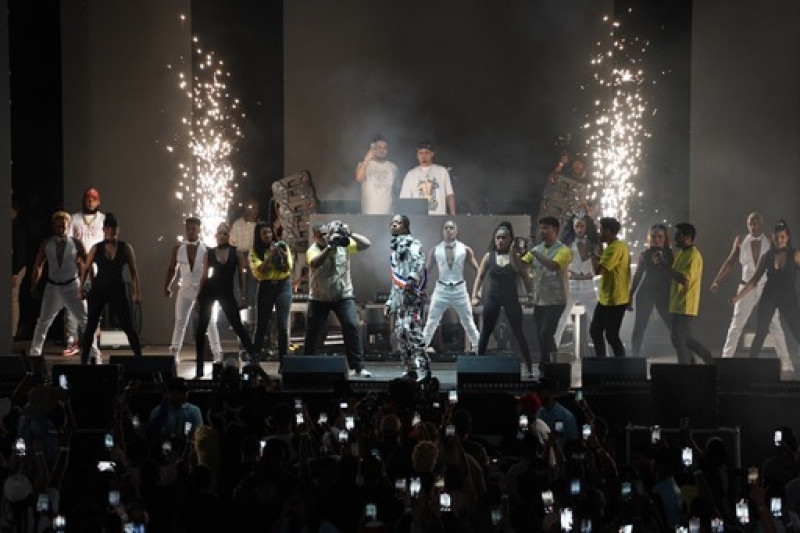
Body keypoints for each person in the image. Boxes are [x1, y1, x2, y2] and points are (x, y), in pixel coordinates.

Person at [711, 212, 792, 371]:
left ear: (762, 224)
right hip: (745, 287)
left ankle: (786, 362)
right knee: (736, 325)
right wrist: (717, 280)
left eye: (756, 223)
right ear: (747, 224)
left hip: (766, 287)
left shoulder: (771, 241)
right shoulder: (741, 241)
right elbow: (730, 262)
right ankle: (725, 360)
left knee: (775, 325)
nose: (753, 226)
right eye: (750, 223)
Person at [303, 220, 372, 377]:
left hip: (343, 295)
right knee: (313, 332)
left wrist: (349, 233)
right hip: (319, 297)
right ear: (315, 237)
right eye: (321, 235)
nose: (325, 237)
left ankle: (358, 367)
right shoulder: (312, 250)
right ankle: (306, 365)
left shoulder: (343, 244)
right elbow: (315, 263)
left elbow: (366, 244)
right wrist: (329, 247)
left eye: (327, 234)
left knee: (351, 326)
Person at [28, 212, 96, 359]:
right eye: (58, 226)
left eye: (64, 226)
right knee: (43, 322)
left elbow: (88, 265)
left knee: (85, 320)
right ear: (53, 226)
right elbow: (38, 265)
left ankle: (94, 354)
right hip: (53, 288)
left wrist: (90, 284)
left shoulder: (76, 243)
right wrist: (34, 285)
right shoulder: (47, 243)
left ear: (68, 226)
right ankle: (34, 355)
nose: (61, 229)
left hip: (72, 286)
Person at [731, 220, 800, 363]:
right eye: (776, 237)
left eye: (782, 237)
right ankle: (751, 365)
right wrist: (737, 297)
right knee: (761, 332)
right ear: (772, 237)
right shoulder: (767, 256)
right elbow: (753, 281)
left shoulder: (796, 255)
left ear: (787, 237)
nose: (779, 240)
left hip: (788, 298)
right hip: (769, 296)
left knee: (796, 329)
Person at [194, 222, 257, 378]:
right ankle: (199, 368)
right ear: (215, 235)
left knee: (237, 326)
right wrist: (197, 297)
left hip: (226, 292)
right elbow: (204, 276)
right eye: (219, 233)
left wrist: (242, 297)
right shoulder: (209, 253)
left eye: (224, 233)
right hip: (209, 289)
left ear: (229, 236)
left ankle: (255, 360)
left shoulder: (236, 253)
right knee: (201, 328)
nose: (221, 236)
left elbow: (242, 275)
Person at [472, 222, 534, 377]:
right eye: (497, 238)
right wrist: (475, 295)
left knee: (518, 332)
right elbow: (479, 277)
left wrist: (531, 294)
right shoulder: (488, 256)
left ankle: (529, 366)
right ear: (494, 240)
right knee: (485, 332)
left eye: (503, 238)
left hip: (511, 298)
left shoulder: (516, 257)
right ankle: (478, 367)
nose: (500, 241)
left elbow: (526, 277)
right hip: (492, 297)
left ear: (510, 240)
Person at [80, 213, 142, 364]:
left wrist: (137, 292)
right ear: (104, 230)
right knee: (90, 327)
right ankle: (83, 362)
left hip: (117, 290)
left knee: (128, 326)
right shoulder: (96, 248)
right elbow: (86, 269)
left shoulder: (125, 248)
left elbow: (134, 271)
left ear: (117, 230)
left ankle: (140, 360)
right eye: (108, 228)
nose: (111, 231)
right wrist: (80, 289)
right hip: (99, 290)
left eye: (114, 229)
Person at [164, 217, 223, 364]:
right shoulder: (178, 249)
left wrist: (215, 288)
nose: (190, 231)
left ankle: (217, 353)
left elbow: (216, 270)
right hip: (184, 289)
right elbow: (172, 269)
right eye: (188, 228)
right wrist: (167, 286)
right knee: (180, 321)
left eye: (193, 229)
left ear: (199, 230)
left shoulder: (207, 250)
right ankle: (174, 352)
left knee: (210, 322)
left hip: (202, 290)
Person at [658, 222, 713, 364]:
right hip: (678, 303)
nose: (675, 238)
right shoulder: (683, 253)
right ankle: (695, 362)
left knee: (678, 338)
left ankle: (690, 365)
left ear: (688, 237)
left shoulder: (693, 256)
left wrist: (664, 266)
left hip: (685, 303)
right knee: (682, 338)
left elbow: (684, 279)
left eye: (678, 235)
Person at [421, 220, 480, 353]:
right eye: (446, 228)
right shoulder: (435, 250)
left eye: (451, 228)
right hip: (441, 289)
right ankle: (421, 350)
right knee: (431, 321)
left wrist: (477, 292)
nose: (449, 230)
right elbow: (426, 271)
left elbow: (478, 270)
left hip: (459, 289)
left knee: (468, 322)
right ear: (442, 232)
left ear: (456, 231)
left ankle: (478, 349)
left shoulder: (465, 249)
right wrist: (422, 289)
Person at [385, 214, 429, 382]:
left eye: (398, 223)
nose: (394, 225)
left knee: (414, 332)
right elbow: (395, 279)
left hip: (411, 297)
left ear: (406, 226)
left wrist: (411, 278)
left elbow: (419, 262)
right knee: (401, 334)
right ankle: (409, 368)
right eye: (393, 223)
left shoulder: (413, 243)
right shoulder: (394, 250)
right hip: (399, 299)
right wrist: (390, 301)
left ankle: (424, 370)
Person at [525, 216, 572, 368]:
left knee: (546, 333)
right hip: (539, 300)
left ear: (555, 230)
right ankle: (556, 364)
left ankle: (544, 365)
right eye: (540, 228)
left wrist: (535, 254)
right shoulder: (536, 250)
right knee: (543, 336)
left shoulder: (563, 250)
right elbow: (520, 266)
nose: (542, 231)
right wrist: (514, 252)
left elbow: (553, 266)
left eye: (545, 228)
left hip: (556, 300)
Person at [65, 187, 105, 356]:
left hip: (96, 267)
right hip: (77, 266)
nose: (90, 201)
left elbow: (106, 242)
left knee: (95, 302)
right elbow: (68, 241)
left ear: (98, 201)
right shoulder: (74, 218)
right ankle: (72, 340)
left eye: (93, 199)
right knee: (73, 303)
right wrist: (78, 260)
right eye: (87, 198)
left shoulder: (103, 219)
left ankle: (93, 341)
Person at [553, 214, 601, 355]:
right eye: (576, 226)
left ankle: (604, 355)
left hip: (588, 284)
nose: (579, 229)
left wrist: (593, 254)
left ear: (587, 226)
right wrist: (569, 272)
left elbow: (599, 262)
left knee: (597, 321)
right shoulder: (567, 242)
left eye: (582, 226)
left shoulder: (593, 242)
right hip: (572, 284)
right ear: (572, 226)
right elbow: (560, 261)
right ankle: (552, 353)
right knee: (561, 320)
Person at [250, 220, 293, 365]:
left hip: (283, 286)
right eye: (264, 233)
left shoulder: (282, 246)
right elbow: (259, 272)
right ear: (258, 235)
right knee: (261, 325)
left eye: (269, 232)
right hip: (266, 287)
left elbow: (287, 269)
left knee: (282, 325)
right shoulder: (255, 251)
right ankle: (255, 359)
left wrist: (280, 255)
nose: (268, 235)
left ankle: (284, 361)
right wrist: (269, 258)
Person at [628, 224, 674, 358]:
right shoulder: (644, 254)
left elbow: (675, 274)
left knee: (672, 326)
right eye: (654, 236)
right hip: (646, 293)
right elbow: (637, 276)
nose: (656, 239)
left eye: (660, 236)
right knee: (639, 327)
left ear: (665, 238)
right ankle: (634, 358)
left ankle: (685, 357)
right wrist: (630, 295)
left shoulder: (671, 254)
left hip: (663, 294)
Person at [589, 217, 631, 357]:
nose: (599, 233)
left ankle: (620, 366)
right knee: (596, 331)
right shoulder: (615, 246)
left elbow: (598, 271)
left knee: (611, 335)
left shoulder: (615, 248)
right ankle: (603, 364)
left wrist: (591, 254)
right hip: (607, 299)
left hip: (615, 299)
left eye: (601, 230)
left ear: (608, 231)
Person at [398, 141, 456, 215]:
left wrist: (453, 215)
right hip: (418, 219)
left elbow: (450, 195)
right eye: (421, 153)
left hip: (439, 216)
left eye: (426, 153)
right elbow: (405, 200)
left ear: (432, 154)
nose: (423, 156)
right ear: (417, 155)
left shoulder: (442, 171)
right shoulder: (411, 174)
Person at [229, 197, 260, 327]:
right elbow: (233, 243)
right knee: (240, 292)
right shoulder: (238, 224)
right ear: (246, 209)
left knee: (254, 294)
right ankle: (240, 322)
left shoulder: (259, 225)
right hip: (240, 260)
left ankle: (253, 323)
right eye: (251, 208)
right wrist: (240, 255)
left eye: (256, 208)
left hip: (254, 262)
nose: (254, 211)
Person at [354, 134, 399, 215]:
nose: (382, 150)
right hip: (369, 214)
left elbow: (396, 191)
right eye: (379, 147)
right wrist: (367, 159)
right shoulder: (364, 165)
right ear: (373, 149)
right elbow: (359, 178)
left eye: (384, 148)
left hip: (388, 215)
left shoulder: (393, 167)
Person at [11, 202, 26, 339]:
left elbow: (20, 252)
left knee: (13, 301)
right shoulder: (11, 227)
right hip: (13, 268)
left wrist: (15, 273)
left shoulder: (16, 228)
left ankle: (12, 332)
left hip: (16, 269)